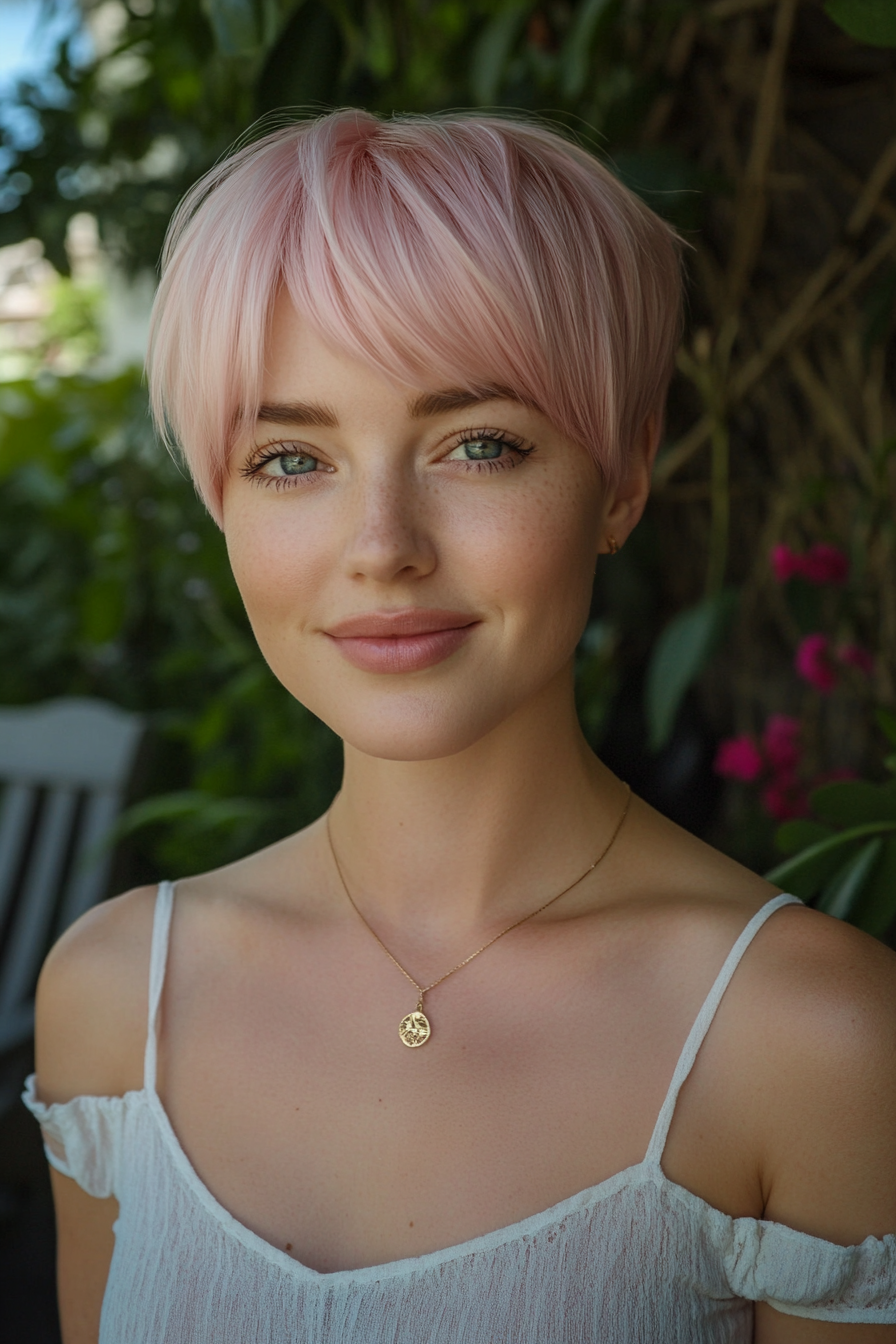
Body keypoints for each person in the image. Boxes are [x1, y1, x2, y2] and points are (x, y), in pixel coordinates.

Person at [24, 109, 896, 1343]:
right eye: (289, 458)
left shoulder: (816, 1043)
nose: (383, 547)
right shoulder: (115, 1000)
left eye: (477, 445)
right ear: (218, 500)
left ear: (625, 474)